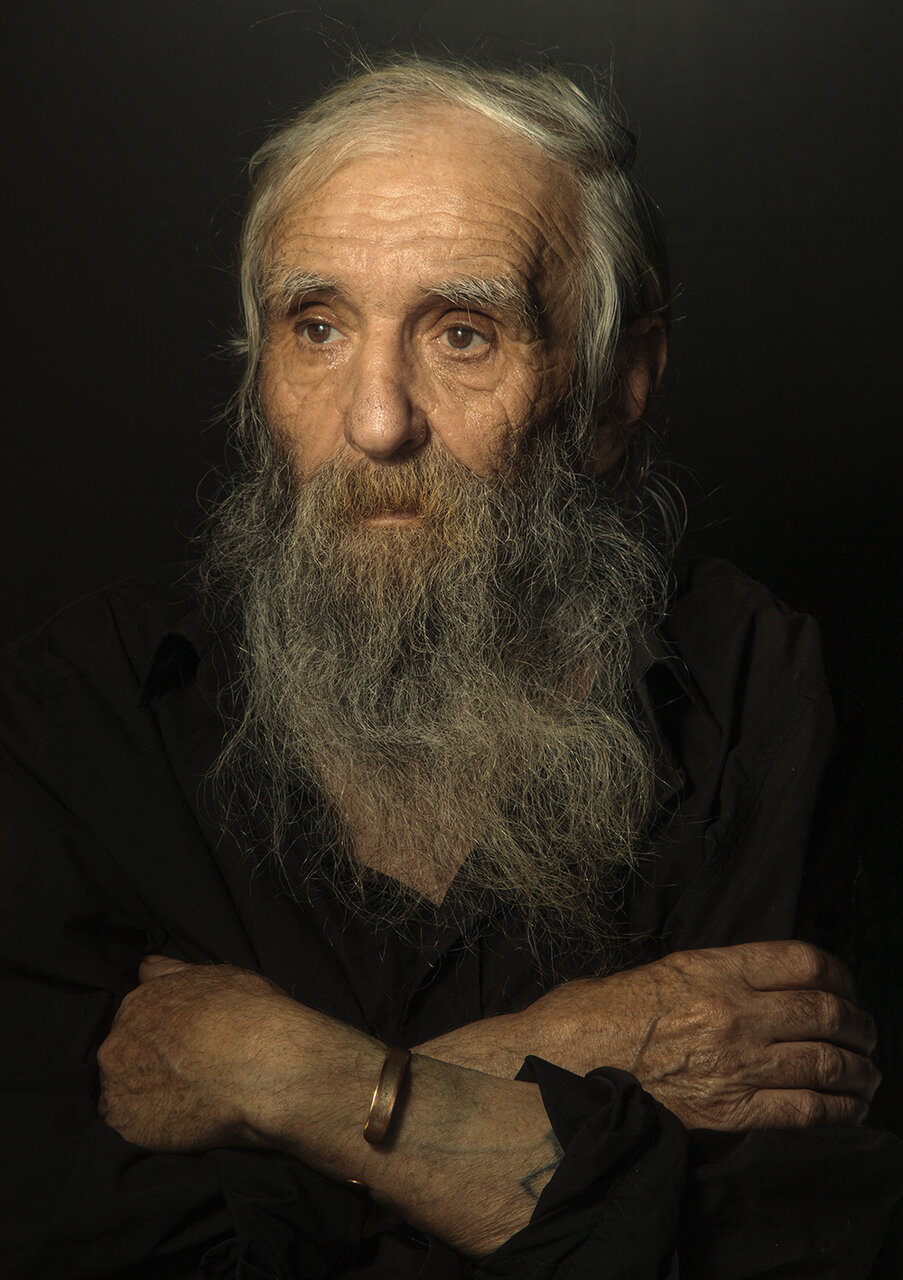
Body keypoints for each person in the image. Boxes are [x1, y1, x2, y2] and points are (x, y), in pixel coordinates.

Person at [2, 57, 901, 1279]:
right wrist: (589, 1050)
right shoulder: (73, 724)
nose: (376, 420)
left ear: (617, 391)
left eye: (463, 334)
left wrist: (277, 1072)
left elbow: (790, 1237)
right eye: (318, 328)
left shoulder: (764, 697)